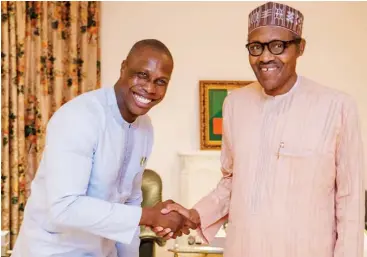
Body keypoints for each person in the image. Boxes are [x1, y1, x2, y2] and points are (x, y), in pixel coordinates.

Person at [155, 2, 365, 257]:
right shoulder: (235, 104)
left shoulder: (338, 107)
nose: (265, 57)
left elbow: (350, 201)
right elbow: (232, 182)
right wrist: (195, 214)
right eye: (256, 47)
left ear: (300, 47)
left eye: (278, 46)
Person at [11, 39, 194, 257]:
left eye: (161, 81)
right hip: (53, 250)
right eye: (142, 75)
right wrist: (148, 216)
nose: (150, 88)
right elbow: (64, 207)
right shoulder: (80, 117)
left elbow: (131, 199)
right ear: (123, 67)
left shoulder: (145, 128)